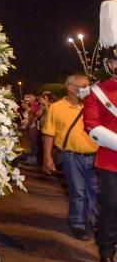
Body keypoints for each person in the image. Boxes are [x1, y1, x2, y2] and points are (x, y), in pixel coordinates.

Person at [83, 0, 117, 262]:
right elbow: (92, 127)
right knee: (112, 209)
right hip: (110, 163)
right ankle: (106, 254)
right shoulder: (98, 92)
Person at [42, 75, 99, 240]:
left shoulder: (93, 105)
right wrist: (47, 158)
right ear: (70, 87)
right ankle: (78, 224)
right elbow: (48, 134)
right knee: (78, 192)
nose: (87, 89)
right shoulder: (56, 108)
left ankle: (97, 223)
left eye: (88, 85)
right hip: (71, 157)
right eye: (83, 86)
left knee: (95, 192)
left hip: (95, 156)